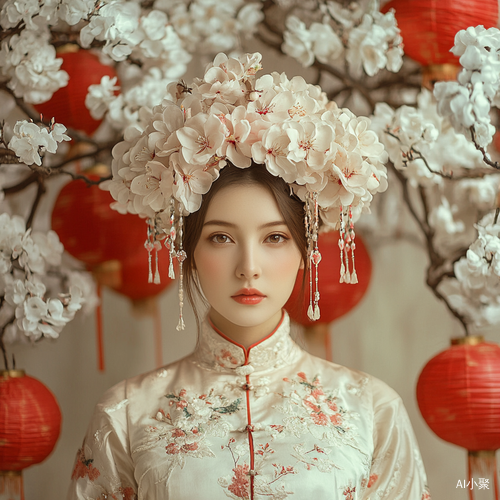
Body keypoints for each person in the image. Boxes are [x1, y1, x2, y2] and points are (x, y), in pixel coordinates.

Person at [67, 51, 430, 499]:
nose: (249, 267)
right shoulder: (125, 414)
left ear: (306, 250)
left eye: (275, 238)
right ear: (189, 251)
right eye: (221, 238)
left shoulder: (371, 409)